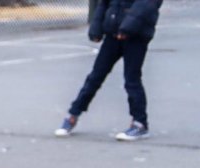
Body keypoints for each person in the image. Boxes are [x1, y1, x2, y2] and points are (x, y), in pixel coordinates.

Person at [55, 0, 163, 141]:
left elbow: (145, 5)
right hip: (113, 34)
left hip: (136, 36)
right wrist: (96, 28)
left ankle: (139, 123)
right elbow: (104, 4)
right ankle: (73, 114)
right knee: (95, 76)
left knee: (132, 79)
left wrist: (127, 27)